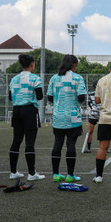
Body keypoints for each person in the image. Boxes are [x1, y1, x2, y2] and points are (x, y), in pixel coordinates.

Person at [47, 54, 87, 182]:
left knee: (57, 144)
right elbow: (81, 97)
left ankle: (55, 174)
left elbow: (50, 97)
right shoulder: (78, 78)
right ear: (74, 65)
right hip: (73, 117)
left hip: (58, 116)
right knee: (71, 145)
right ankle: (70, 175)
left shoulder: (54, 78)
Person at [9, 54, 45, 181]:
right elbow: (40, 96)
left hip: (16, 110)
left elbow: (10, 97)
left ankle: (13, 172)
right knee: (29, 142)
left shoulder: (14, 79)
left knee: (16, 141)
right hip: (29, 110)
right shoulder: (35, 78)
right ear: (31, 64)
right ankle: (31, 173)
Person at [82, 80, 99, 154]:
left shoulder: (90, 93)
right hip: (102, 114)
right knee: (91, 131)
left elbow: (89, 103)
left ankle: (88, 148)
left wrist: (93, 109)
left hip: (94, 113)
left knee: (90, 131)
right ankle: (105, 148)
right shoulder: (105, 93)